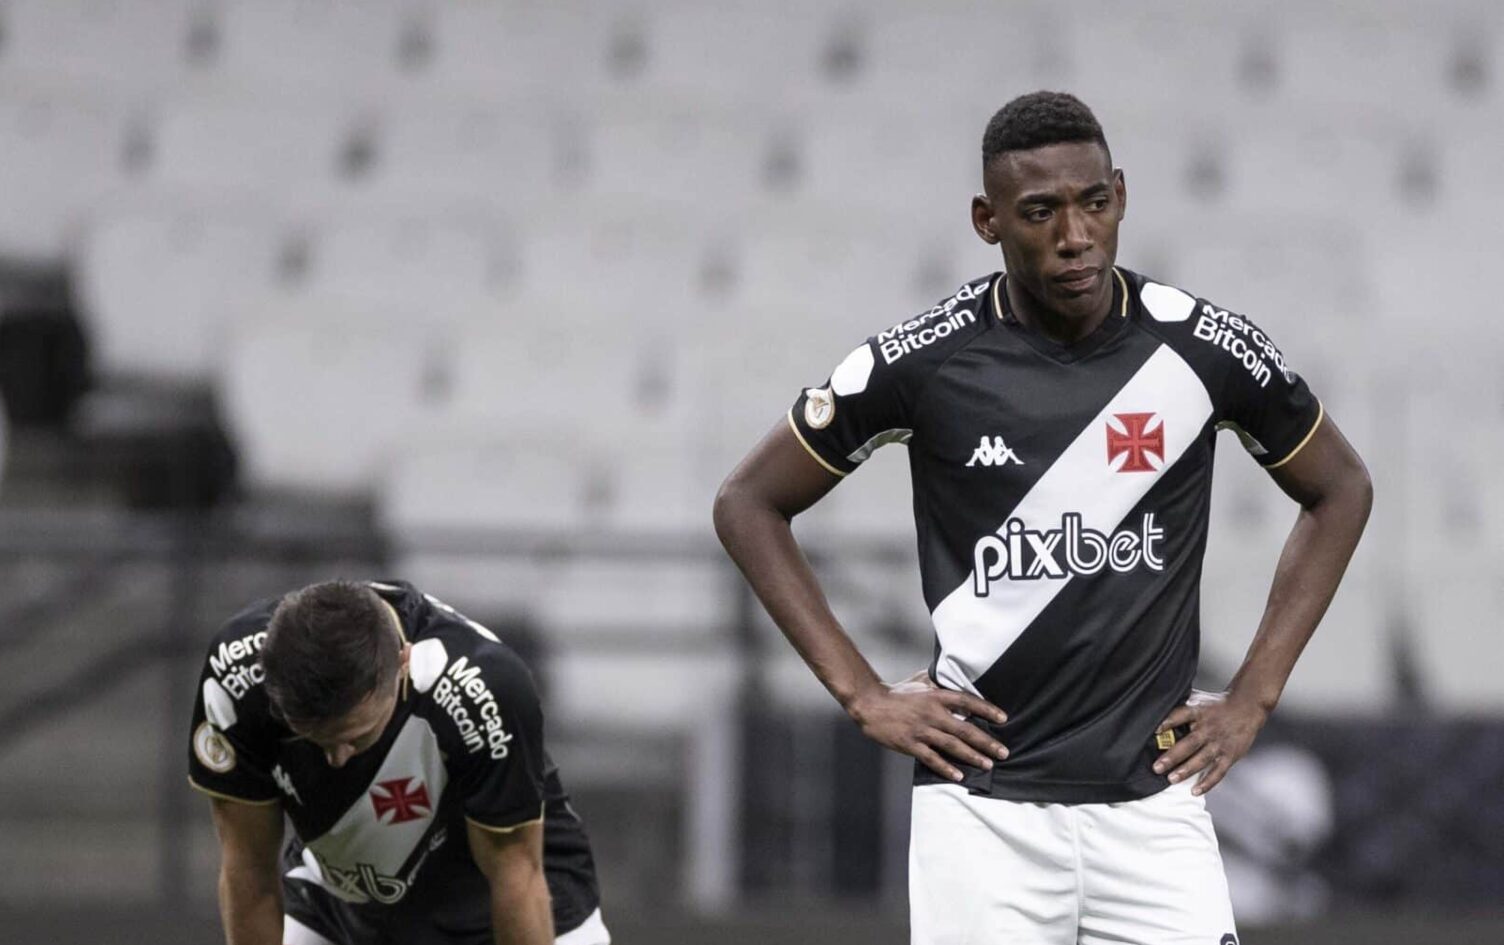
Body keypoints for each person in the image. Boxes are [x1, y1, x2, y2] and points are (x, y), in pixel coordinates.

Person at [712, 91, 1372, 944]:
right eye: (1039, 212)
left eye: (1094, 203)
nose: (1075, 235)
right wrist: (862, 693)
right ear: (986, 220)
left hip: (1154, 809)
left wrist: (1254, 695)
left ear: (1121, 195)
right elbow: (747, 502)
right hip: (983, 815)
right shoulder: (926, 359)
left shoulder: (1203, 348)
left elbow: (1341, 487)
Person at [188, 579, 609, 945]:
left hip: (515, 907)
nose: (336, 759)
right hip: (343, 899)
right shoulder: (235, 679)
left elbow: (516, 874)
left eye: (356, 737)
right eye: (312, 740)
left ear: (403, 664)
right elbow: (250, 870)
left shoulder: (484, 691)